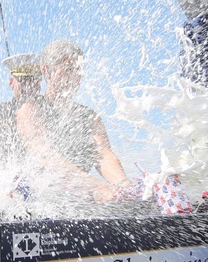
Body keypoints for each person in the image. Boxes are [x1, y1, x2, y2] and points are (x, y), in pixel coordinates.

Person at [18, 40, 132, 205]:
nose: (76, 76)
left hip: (78, 201)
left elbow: (103, 156)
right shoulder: (30, 110)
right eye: (68, 69)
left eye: (79, 69)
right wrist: (97, 187)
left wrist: (123, 185)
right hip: (35, 202)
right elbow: (44, 155)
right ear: (47, 71)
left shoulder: (90, 117)